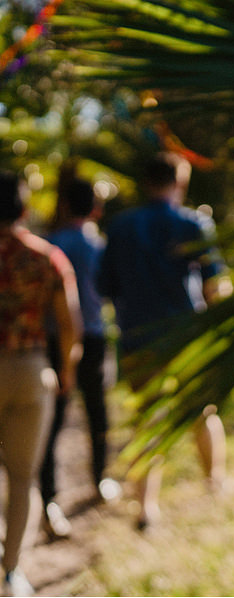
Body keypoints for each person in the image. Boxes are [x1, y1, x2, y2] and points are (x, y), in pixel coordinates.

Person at [97, 152, 227, 529]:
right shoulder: (194, 223)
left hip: (137, 336)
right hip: (186, 335)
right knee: (202, 411)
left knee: (146, 420)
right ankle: (214, 484)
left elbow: (105, 285)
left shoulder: (121, 226)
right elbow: (213, 283)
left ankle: (145, 508)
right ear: (180, 182)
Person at [0, 171, 78, 595]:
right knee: (22, 475)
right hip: (29, 368)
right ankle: (12, 571)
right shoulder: (47, 257)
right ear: (24, 209)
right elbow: (71, 324)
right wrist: (65, 368)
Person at [39, 171, 117, 538]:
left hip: (53, 341)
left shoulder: (50, 245)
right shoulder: (100, 246)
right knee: (97, 410)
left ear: (65, 205)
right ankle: (100, 479)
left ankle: (49, 499)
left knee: (52, 421)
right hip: (94, 336)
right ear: (97, 209)